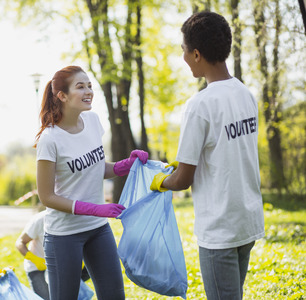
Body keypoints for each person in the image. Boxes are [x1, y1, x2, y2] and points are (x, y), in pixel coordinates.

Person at [149, 11, 265, 300]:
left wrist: (160, 180)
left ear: (197, 54)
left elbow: (183, 179)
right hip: (247, 221)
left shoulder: (200, 104)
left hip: (220, 230)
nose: (184, 58)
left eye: (184, 51)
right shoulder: (245, 94)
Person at [35, 65, 148, 300]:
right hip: (63, 235)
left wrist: (125, 165)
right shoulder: (50, 139)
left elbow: (97, 168)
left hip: (97, 229)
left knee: (114, 296)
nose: (88, 91)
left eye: (89, 86)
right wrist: (95, 208)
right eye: (80, 86)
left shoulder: (93, 121)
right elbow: (46, 196)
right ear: (62, 96)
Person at [15, 210, 49, 300]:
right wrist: (34, 259)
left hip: (58, 267)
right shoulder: (40, 220)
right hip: (37, 268)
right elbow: (20, 242)